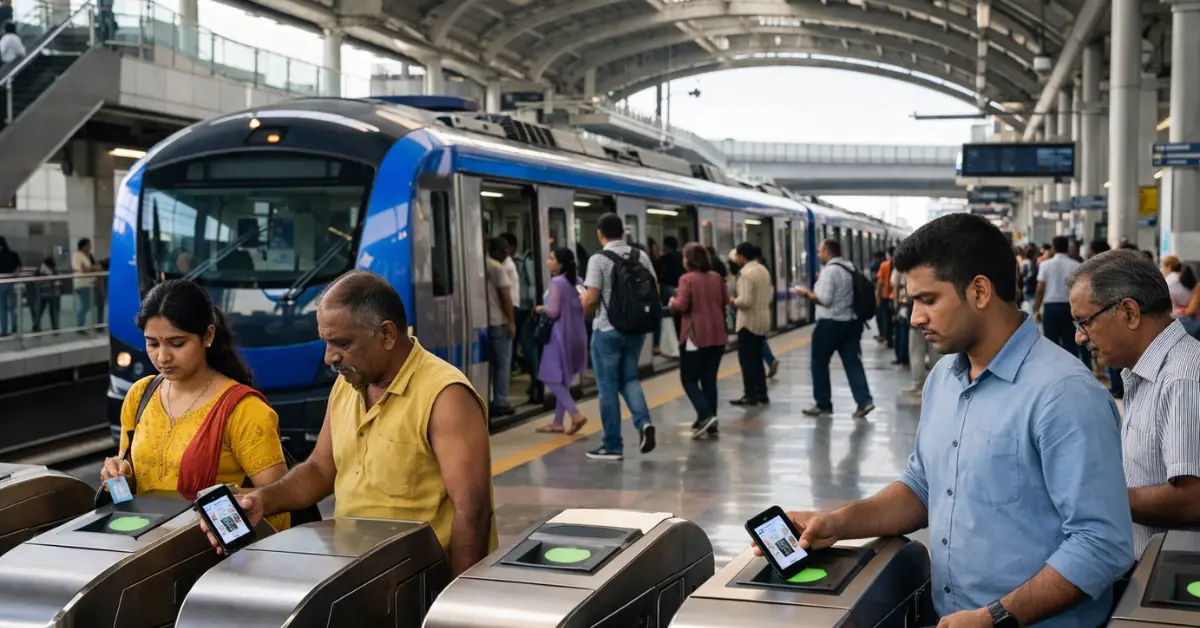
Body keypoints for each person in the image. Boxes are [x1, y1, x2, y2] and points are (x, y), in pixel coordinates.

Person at [763, 214, 1132, 627]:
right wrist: (834, 523)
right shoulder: (944, 378)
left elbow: (1101, 544)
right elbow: (923, 488)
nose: (915, 317)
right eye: (913, 302)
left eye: (928, 300)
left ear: (979, 291)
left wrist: (994, 617)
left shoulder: (1063, 393)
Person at [199, 270, 497, 575]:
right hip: (358, 572)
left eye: (342, 343)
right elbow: (319, 469)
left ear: (387, 335)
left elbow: (472, 512)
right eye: (327, 342)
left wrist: (452, 604)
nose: (330, 357)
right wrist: (262, 499)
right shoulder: (349, 385)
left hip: (419, 581)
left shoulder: (445, 396)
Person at [100, 280, 292, 531]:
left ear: (208, 336)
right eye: (153, 343)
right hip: (146, 550)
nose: (163, 357)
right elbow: (128, 496)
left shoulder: (243, 410)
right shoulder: (140, 395)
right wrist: (117, 477)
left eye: (177, 343)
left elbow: (277, 503)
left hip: (212, 557)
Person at [1067, 249, 1200, 557]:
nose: (1079, 338)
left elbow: (1191, 500)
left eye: (1084, 322)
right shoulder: (1144, 373)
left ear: (1129, 312)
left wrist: (1089, 496)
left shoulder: (1182, 379)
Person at [580, 213, 656, 461]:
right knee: (630, 379)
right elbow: (653, 290)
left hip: (607, 330)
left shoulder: (598, 259)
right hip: (635, 329)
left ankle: (612, 445)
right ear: (623, 232)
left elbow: (591, 298)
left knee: (607, 387)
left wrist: (585, 308)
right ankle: (644, 424)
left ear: (600, 233)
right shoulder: (640, 256)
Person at [794, 239, 874, 418]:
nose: (818, 254)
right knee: (853, 363)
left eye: (820, 251)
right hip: (851, 324)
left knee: (819, 363)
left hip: (830, 325)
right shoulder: (849, 267)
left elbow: (825, 299)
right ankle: (864, 401)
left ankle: (823, 404)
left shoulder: (829, 271)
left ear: (828, 251)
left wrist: (806, 293)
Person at [669, 243, 727, 438]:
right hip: (718, 335)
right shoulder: (717, 278)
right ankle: (712, 421)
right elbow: (725, 300)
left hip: (695, 336)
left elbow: (681, 305)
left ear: (690, 260)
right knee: (709, 379)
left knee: (689, 379)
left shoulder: (686, 279)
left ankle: (705, 415)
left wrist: (671, 302)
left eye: (685, 257)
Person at [534, 247, 589, 435]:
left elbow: (553, 311)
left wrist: (541, 308)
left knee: (551, 378)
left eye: (551, 258)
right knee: (564, 380)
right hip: (577, 335)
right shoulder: (579, 282)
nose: (548, 261)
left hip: (559, 336)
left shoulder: (557, 282)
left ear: (560, 264)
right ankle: (557, 422)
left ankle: (575, 415)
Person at [727, 242, 772, 406]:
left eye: (737, 256)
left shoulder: (746, 274)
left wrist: (732, 301)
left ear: (742, 257)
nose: (736, 259)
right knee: (758, 359)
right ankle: (762, 393)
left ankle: (750, 394)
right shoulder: (763, 270)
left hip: (748, 322)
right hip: (762, 320)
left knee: (747, 360)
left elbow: (745, 301)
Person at [1035, 236, 1082, 357]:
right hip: (1070, 308)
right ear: (1067, 247)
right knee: (1071, 344)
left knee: (1051, 345)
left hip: (1050, 308)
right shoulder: (1076, 266)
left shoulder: (1045, 265)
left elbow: (1040, 289)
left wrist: (1036, 309)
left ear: (1053, 248)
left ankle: (1052, 372)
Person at [484, 237, 516, 417]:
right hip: (499, 323)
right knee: (502, 365)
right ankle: (500, 401)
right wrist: (511, 322)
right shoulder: (497, 268)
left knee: (488, 365)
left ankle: (487, 396)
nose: (507, 254)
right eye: (503, 251)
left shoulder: (479, 266)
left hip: (483, 325)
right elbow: (506, 298)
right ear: (494, 251)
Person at [73, 238, 101, 330]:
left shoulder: (87, 256)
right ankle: (80, 326)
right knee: (86, 304)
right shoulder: (78, 255)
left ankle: (96, 324)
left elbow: (91, 267)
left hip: (90, 283)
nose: (90, 247)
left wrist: (91, 268)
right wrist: (93, 268)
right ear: (84, 246)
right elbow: (84, 269)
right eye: (88, 245)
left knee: (94, 302)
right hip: (82, 283)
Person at [0, 237, 19, 336]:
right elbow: (19, 267)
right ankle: (14, 327)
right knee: (11, 306)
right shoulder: (13, 254)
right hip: (11, 281)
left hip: (1, 282)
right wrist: (14, 275)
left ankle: (4, 330)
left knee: (2, 308)